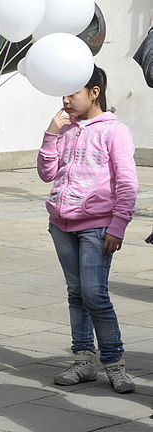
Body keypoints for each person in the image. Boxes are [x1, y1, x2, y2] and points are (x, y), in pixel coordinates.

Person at [37, 66, 138, 394]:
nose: (65, 100)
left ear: (94, 93)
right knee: (76, 293)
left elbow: (127, 182)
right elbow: (46, 173)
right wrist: (50, 134)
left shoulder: (114, 131)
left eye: (73, 93)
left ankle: (114, 363)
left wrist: (118, 225)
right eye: (63, 94)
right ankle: (83, 360)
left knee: (95, 294)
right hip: (61, 225)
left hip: (97, 227)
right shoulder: (65, 129)